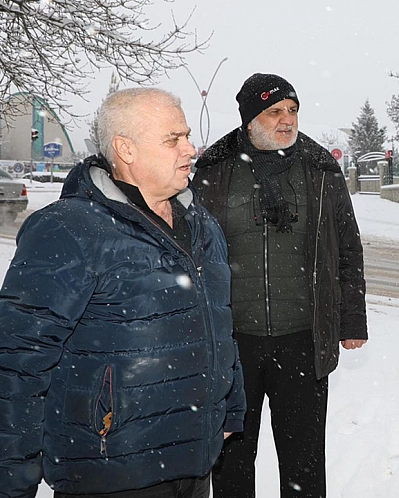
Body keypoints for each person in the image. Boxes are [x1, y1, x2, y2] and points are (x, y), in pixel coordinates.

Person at [0, 88, 246, 498]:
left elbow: (218, 322)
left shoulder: (202, 224)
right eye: (173, 139)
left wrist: (229, 409)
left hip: (195, 464)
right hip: (111, 473)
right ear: (125, 149)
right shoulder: (70, 229)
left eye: (186, 135)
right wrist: (11, 482)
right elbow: (17, 365)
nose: (190, 148)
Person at [193, 73, 367, 498]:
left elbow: (346, 245)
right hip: (233, 344)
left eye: (292, 110)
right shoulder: (214, 170)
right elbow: (191, 250)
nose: (286, 120)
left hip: (302, 339)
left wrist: (352, 319)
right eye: (274, 111)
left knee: (303, 463)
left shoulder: (320, 167)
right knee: (232, 459)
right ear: (250, 118)